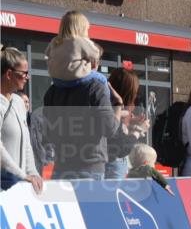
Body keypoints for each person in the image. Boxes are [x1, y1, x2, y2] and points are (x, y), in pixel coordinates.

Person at [41, 42, 125, 180]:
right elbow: (110, 129)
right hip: (89, 166)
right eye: (97, 60)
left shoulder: (53, 90)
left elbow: (49, 133)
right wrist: (117, 105)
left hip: (62, 165)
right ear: (92, 62)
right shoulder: (96, 87)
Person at [0, 47, 43, 193]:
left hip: (19, 186)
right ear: (9, 74)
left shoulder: (18, 102)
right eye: (23, 73)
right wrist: (21, 175)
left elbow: (26, 144)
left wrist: (33, 173)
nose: (27, 77)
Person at [105, 67, 146, 179]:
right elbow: (121, 148)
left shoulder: (107, 106)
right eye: (135, 91)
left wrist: (130, 124)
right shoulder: (114, 108)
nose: (136, 94)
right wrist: (138, 131)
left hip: (112, 164)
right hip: (113, 165)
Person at [44, 10, 102, 82]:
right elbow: (96, 54)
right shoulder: (80, 41)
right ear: (82, 29)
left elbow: (47, 54)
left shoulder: (55, 41)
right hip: (75, 78)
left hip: (57, 80)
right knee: (101, 78)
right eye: (87, 29)